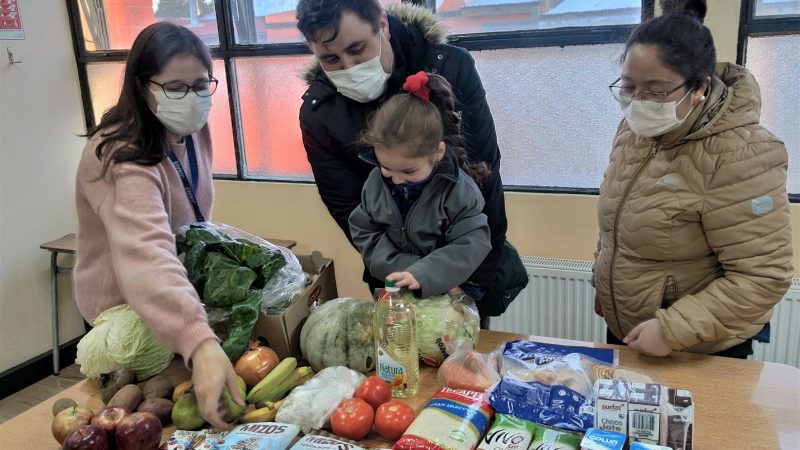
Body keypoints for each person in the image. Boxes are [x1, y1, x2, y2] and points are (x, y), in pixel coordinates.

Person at [593, 0, 794, 358]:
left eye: (655, 91)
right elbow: (618, 220)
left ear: (700, 87)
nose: (638, 102)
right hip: (630, 330)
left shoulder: (741, 153)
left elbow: (762, 276)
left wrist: (673, 330)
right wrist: (604, 279)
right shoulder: (632, 132)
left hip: (697, 347)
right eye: (628, 87)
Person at [74, 22, 243, 429]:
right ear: (141, 85)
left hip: (172, 305)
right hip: (125, 318)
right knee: (143, 422)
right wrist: (200, 343)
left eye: (201, 85)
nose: (193, 98)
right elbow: (147, 253)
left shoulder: (191, 130)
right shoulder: (119, 153)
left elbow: (190, 223)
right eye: (175, 88)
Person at [295, 0, 508, 317]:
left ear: (382, 24)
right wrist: (412, 278)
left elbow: (483, 178)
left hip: (464, 274)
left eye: (357, 49)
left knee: (464, 359)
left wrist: (460, 278)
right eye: (331, 59)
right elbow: (352, 214)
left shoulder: (449, 68)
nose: (349, 66)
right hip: (393, 278)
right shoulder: (319, 113)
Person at [349, 72, 492, 299]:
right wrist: (404, 268)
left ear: (438, 152)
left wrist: (425, 273)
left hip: (449, 290)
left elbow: (471, 242)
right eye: (386, 167)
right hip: (395, 285)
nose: (395, 179)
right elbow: (364, 231)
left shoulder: (460, 192)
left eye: (408, 171)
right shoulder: (375, 182)